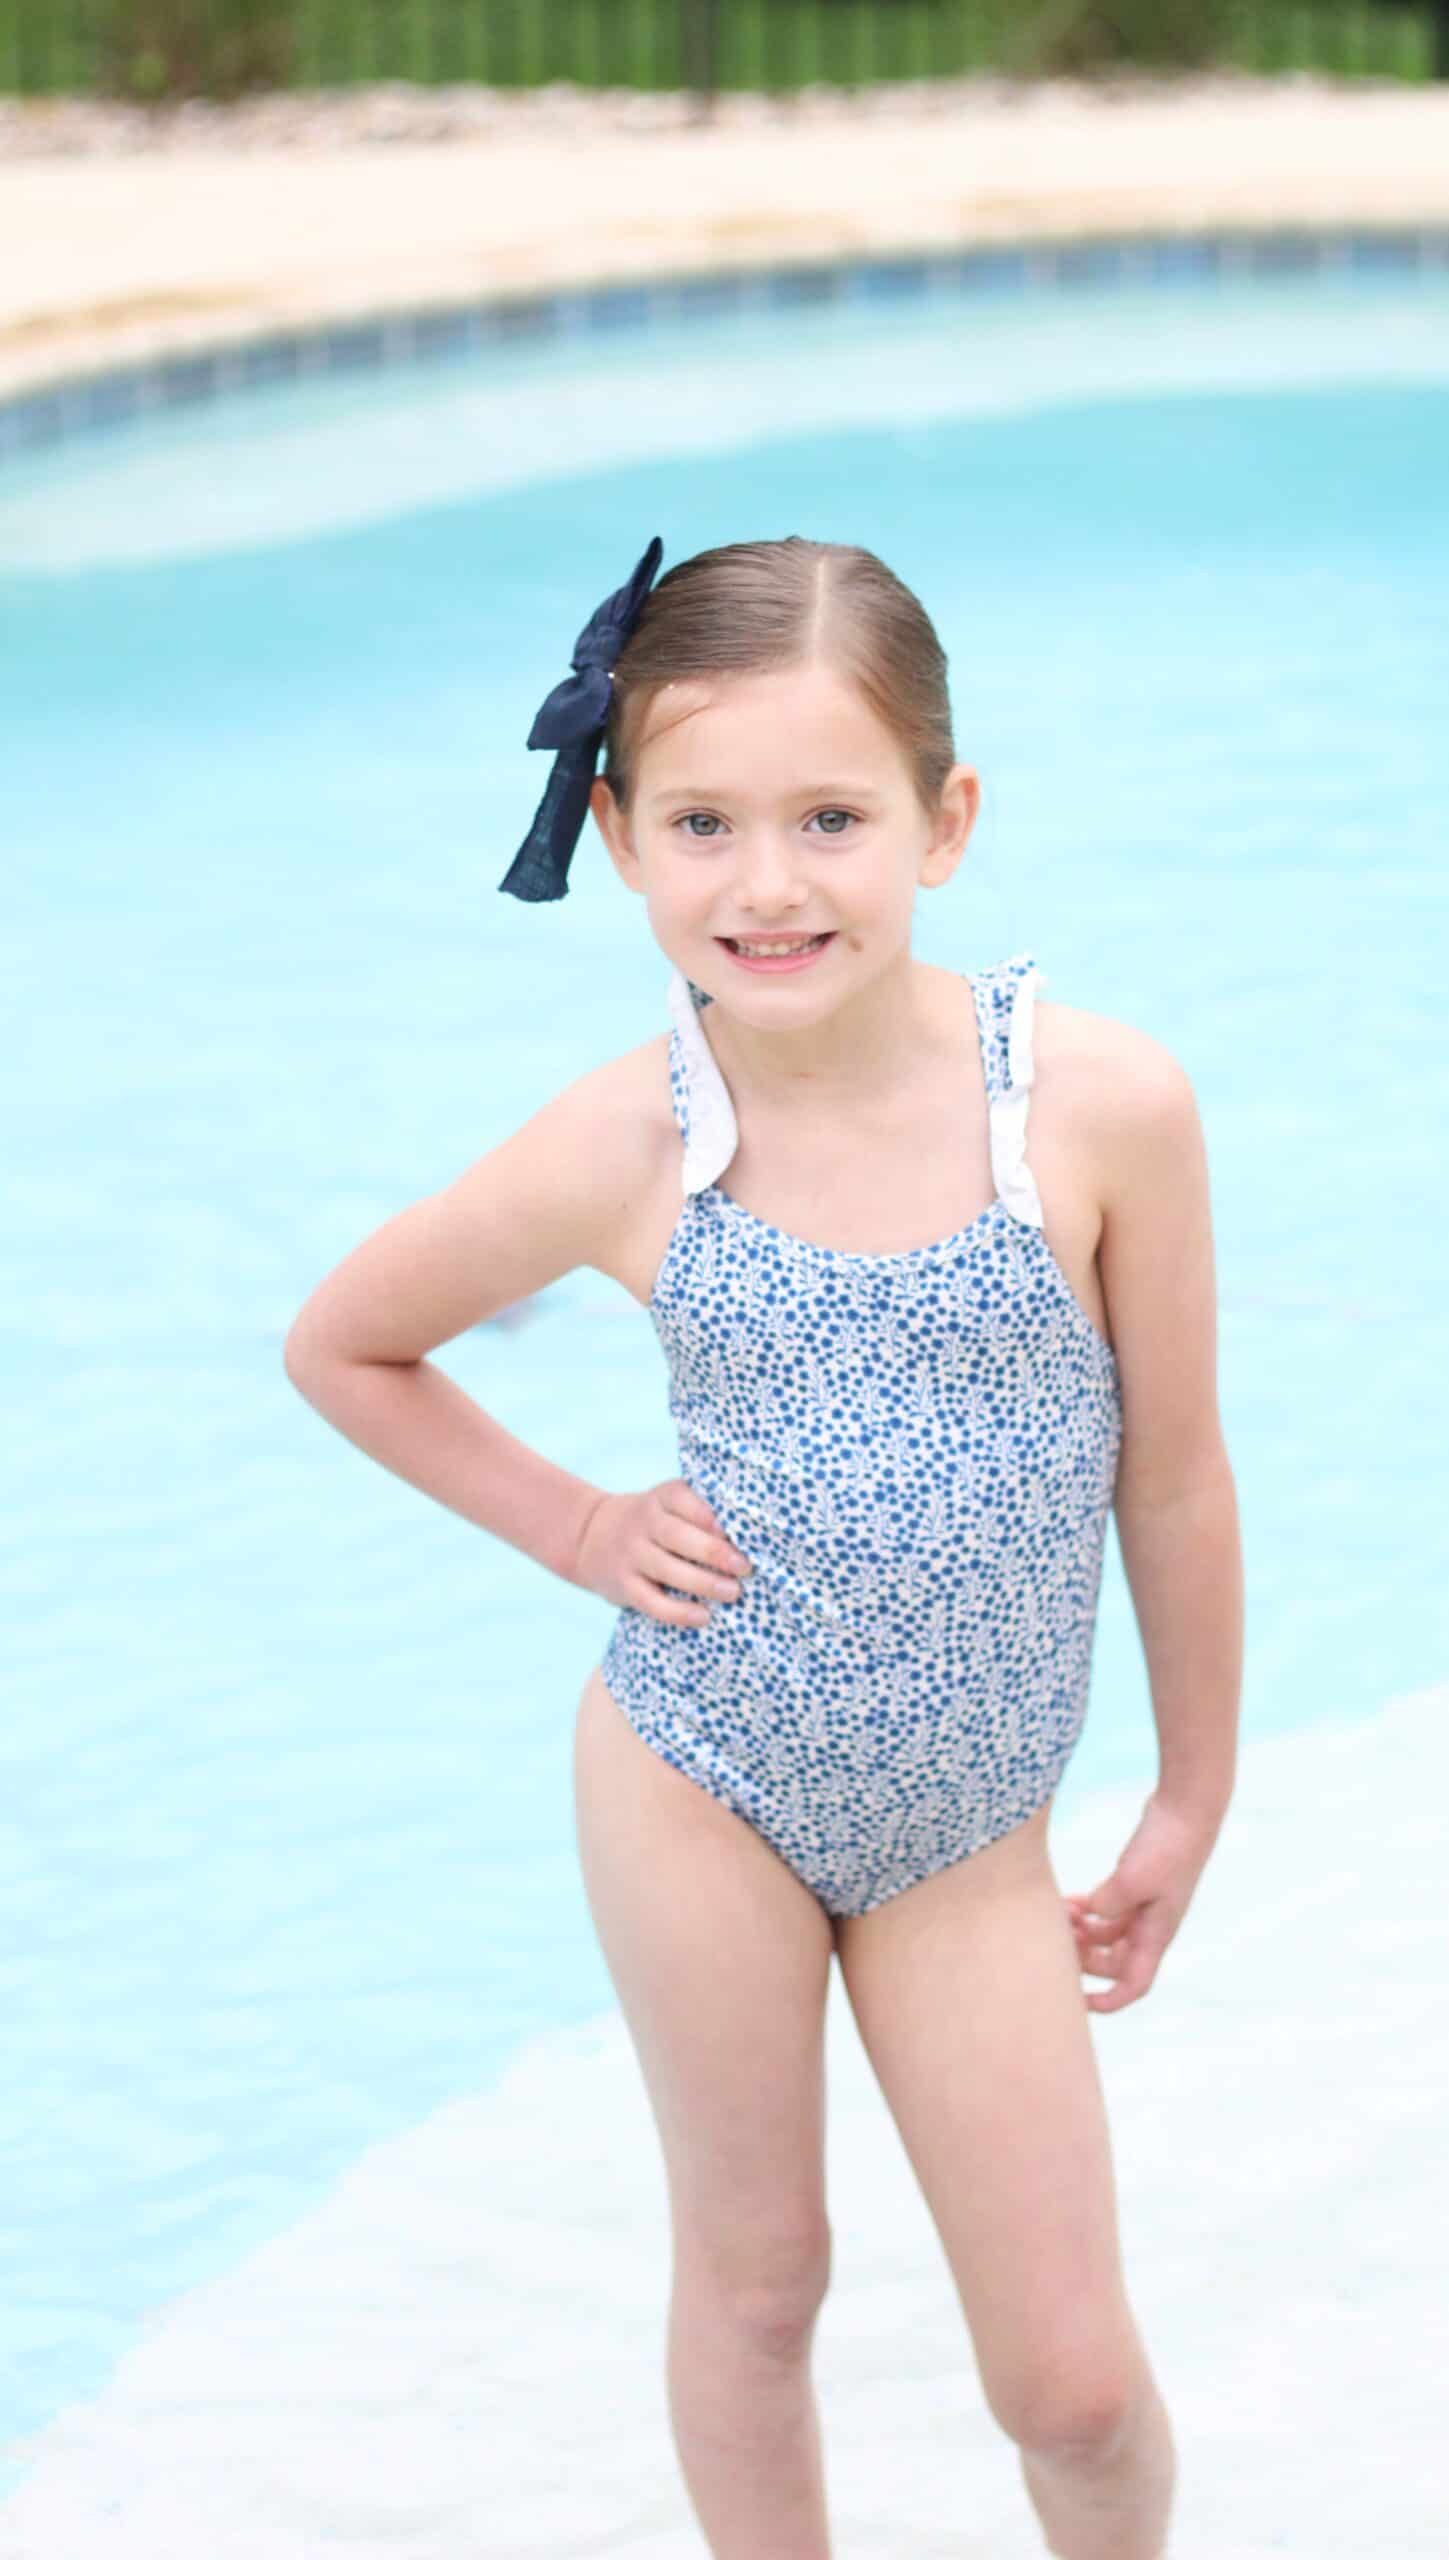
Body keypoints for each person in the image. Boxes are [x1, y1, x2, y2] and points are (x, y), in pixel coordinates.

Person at [283, 533, 1244, 2560]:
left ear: (943, 821)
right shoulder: (627, 1138)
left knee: (1064, 2379)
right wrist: (575, 1521)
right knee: (758, 2276)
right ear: (620, 835)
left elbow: (1170, 1472)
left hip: (968, 1836)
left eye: (831, 815)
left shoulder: (1094, 1110)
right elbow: (347, 1341)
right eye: (703, 822)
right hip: (699, 1779)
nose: (768, 882)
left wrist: (1186, 1785)